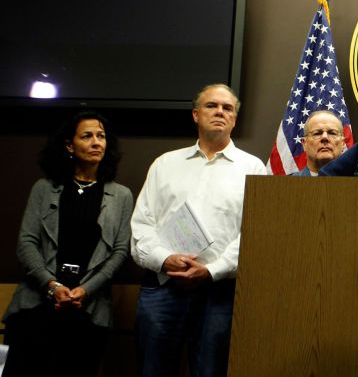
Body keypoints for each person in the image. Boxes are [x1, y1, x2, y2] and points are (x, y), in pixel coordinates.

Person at [130, 84, 268, 377]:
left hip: (220, 292)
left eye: (227, 108)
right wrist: (165, 259)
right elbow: (142, 226)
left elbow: (254, 235)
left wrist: (211, 270)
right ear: (195, 114)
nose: (220, 111)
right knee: (152, 370)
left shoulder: (253, 168)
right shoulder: (164, 164)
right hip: (163, 287)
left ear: (234, 119)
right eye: (211, 106)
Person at [2, 110, 133, 377]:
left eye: (101, 136)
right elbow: (26, 242)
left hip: (89, 309)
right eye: (87, 136)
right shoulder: (44, 188)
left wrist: (85, 290)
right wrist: (52, 285)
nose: (97, 142)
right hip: (37, 304)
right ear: (70, 145)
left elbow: (120, 251)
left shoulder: (121, 195)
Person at [294, 110, 346, 176]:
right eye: (317, 133)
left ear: (343, 143)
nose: (324, 137)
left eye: (332, 133)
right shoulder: (286, 184)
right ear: (304, 144)